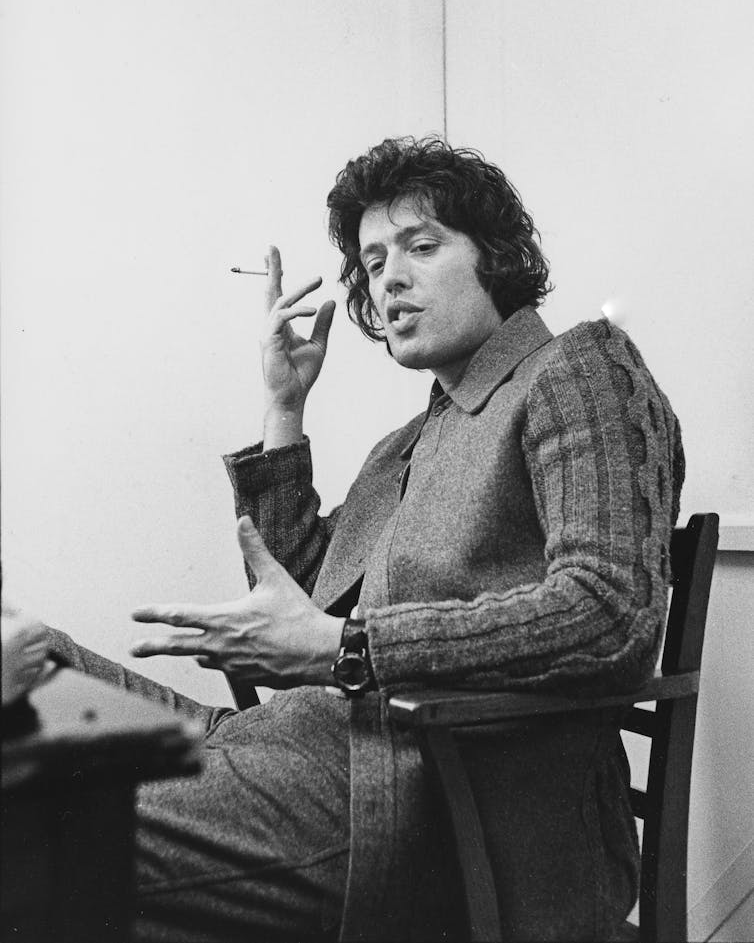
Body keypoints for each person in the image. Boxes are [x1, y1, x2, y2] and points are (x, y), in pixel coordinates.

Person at [38, 136, 684, 942]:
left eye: (421, 245)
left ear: (501, 257)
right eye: (375, 262)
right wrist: (284, 409)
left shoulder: (577, 368)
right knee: (29, 664)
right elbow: (313, 595)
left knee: (33, 818)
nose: (391, 280)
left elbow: (609, 612)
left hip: (429, 810)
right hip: (293, 751)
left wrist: (350, 651)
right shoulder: (409, 442)